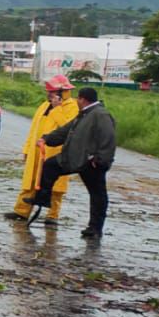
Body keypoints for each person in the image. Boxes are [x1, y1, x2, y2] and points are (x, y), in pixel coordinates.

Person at [33, 86, 117, 238]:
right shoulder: (84, 114)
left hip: (92, 163)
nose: (76, 101)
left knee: (98, 195)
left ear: (83, 99)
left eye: (78, 98)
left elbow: (108, 139)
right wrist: (46, 138)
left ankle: (95, 229)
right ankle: (43, 198)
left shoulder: (101, 114)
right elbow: (65, 131)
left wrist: (101, 160)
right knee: (51, 166)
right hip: (74, 158)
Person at [6, 75, 78, 227]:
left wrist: (58, 109)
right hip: (37, 151)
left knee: (55, 186)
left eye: (52, 92)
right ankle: (21, 212)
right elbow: (33, 130)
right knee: (30, 182)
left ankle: (52, 215)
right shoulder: (43, 106)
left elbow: (68, 128)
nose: (49, 94)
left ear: (61, 92)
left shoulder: (72, 108)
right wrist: (26, 150)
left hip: (55, 152)